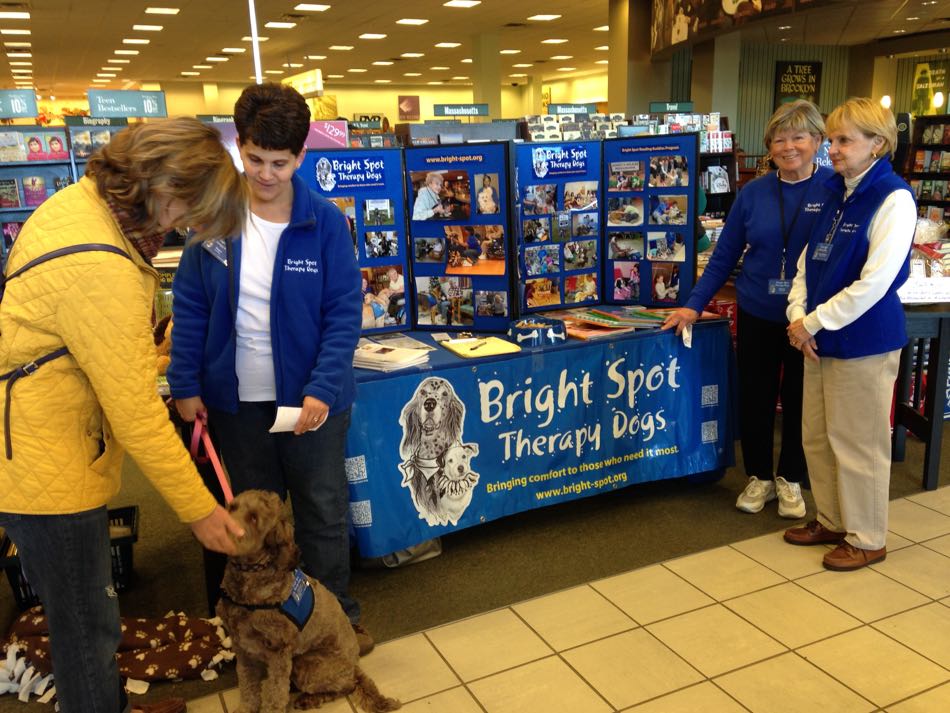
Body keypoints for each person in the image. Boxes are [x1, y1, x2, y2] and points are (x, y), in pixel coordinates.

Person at [0, 118, 246, 713]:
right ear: (162, 185)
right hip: (45, 467)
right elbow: (137, 412)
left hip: (40, 437)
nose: (186, 225)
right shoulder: (102, 264)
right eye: (189, 209)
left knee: (87, 612)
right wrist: (199, 510)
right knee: (87, 622)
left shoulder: (83, 203)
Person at [167, 84, 373, 651]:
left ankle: (335, 624)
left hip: (311, 401)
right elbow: (189, 306)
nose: (264, 173)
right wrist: (185, 384)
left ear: (301, 157)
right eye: (254, 158)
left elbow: (340, 316)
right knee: (246, 524)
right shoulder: (215, 217)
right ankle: (248, 627)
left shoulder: (324, 223)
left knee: (321, 513)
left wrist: (322, 390)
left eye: (279, 163)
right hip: (234, 405)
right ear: (241, 147)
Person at [663, 100, 834, 519]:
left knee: (800, 398)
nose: (789, 146)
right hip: (758, 309)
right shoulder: (753, 194)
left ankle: (790, 477)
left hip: (809, 319)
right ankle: (758, 475)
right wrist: (692, 306)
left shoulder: (833, 189)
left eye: (798, 137)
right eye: (780, 138)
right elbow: (723, 257)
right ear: (769, 146)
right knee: (755, 396)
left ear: (817, 141)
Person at [783, 98, 916, 571]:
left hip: (862, 341)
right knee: (817, 437)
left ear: (876, 144)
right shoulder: (835, 190)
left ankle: (867, 536)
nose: (832, 149)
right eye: (832, 140)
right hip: (816, 338)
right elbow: (805, 262)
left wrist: (811, 322)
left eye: (843, 140)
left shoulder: (893, 198)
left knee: (858, 443)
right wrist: (798, 313)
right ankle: (833, 519)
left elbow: (875, 281)